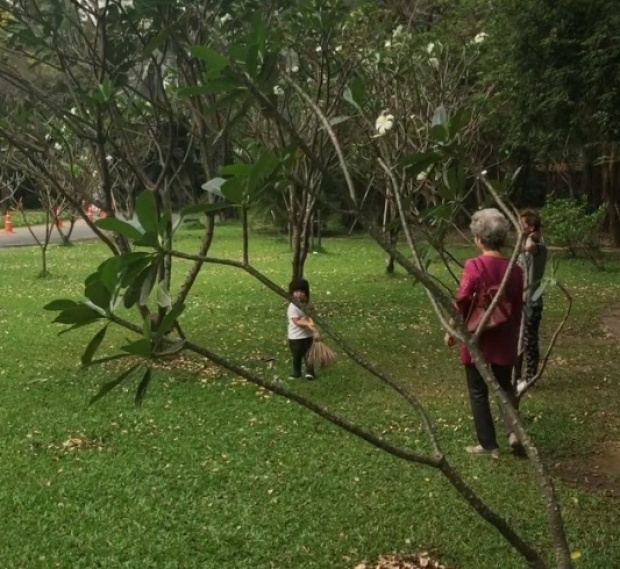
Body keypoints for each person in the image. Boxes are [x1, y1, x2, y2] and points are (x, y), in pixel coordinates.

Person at [445, 208, 524, 457]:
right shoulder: (516, 269)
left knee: (478, 391)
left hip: (478, 336)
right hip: (505, 336)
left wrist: (451, 328)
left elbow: (463, 301)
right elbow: (518, 305)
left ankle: (489, 445)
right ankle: (513, 431)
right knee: (504, 387)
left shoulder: (474, 265)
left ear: (479, 239)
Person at [516, 209, 548, 394]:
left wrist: (531, 236)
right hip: (522, 300)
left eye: (523, 224)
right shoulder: (528, 246)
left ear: (532, 227)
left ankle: (530, 377)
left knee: (529, 341)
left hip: (532, 302)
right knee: (519, 340)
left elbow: (529, 247)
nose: (520, 227)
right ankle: (518, 376)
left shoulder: (538, 246)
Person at [287, 278, 318, 380]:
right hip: (295, 337)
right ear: (292, 293)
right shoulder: (292, 307)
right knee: (297, 355)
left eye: (301, 292)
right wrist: (309, 325)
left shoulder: (307, 305)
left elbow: (311, 316)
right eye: (296, 292)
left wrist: (312, 324)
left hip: (307, 336)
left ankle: (310, 372)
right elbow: (297, 321)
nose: (299, 294)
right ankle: (296, 372)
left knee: (309, 354)